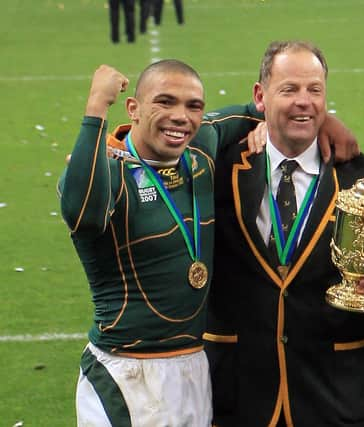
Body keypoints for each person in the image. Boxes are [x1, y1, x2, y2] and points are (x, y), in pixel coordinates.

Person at [203, 40, 364, 426]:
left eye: (315, 90)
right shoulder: (222, 166)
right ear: (260, 96)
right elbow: (176, 132)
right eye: (289, 89)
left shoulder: (363, 179)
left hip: (336, 399)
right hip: (239, 399)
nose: (304, 101)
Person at [58, 60, 268, 426]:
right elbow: (82, 213)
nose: (181, 117)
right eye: (165, 102)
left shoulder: (200, 149)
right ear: (133, 109)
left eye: (193, 106)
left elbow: (258, 110)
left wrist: (324, 123)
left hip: (193, 367)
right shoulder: (107, 170)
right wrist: (95, 108)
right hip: (125, 376)